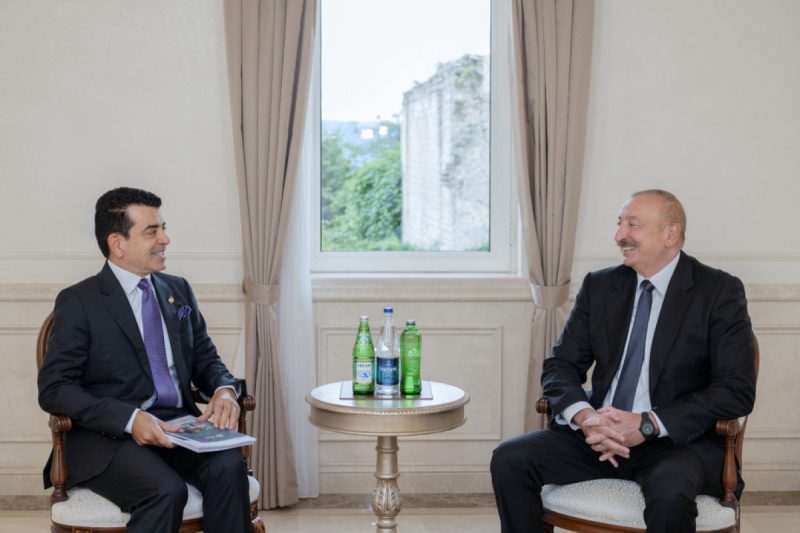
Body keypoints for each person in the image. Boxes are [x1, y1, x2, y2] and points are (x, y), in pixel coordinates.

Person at [491, 189, 756, 533]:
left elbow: (735, 390)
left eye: (633, 225)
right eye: (619, 224)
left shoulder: (718, 291)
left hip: (675, 443)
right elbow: (561, 365)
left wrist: (646, 424)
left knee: (671, 495)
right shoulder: (601, 286)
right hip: (599, 435)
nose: (620, 235)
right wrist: (586, 418)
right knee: (510, 459)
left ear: (671, 233)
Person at [38, 187, 251, 533]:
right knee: (165, 491)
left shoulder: (178, 290)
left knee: (229, 467)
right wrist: (130, 419)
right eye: (152, 231)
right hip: (109, 438)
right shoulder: (79, 301)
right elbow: (55, 389)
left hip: (179, 427)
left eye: (163, 228)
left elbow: (205, 357)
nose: (165, 239)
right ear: (117, 243)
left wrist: (224, 389)